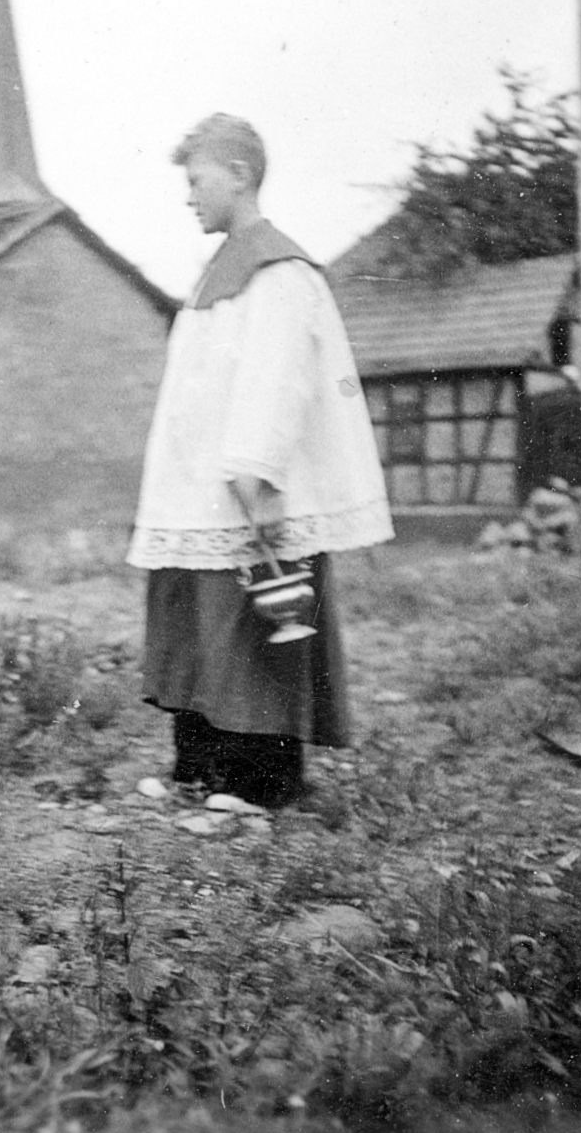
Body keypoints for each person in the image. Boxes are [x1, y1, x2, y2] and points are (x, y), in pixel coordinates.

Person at [127, 114, 394, 808]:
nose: (188, 196)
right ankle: (198, 769)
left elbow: (276, 380)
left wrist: (258, 471)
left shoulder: (277, 272)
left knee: (249, 629)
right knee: (197, 627)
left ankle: (260, 784)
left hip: (244, 486)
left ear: (239, 175)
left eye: (197, 181)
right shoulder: (219, 272)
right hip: (197, 491)